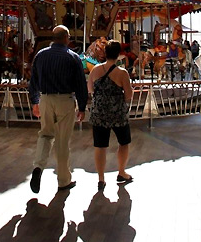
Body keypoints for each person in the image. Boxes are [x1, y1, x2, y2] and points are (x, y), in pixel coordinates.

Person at [29, 25, 88, 193]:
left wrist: (35, 101)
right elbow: (80, 85)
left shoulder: (40, 55)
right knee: (62, 141)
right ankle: (63, 180)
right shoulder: (73, 57)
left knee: (45, 135)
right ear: (66, 38)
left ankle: (38, 167)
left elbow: (33, 81)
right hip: (65, 100)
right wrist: (82, 106)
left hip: (45, 99)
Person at [88, 40, 133, 191]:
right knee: (123, 142)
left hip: (99, 112)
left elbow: (90, 89)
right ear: (119, 54)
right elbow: (128, 95)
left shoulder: (95, 70)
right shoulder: (122, 73)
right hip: (117, 112)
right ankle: (121, 172)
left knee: (100, 146)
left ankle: (101, 178)